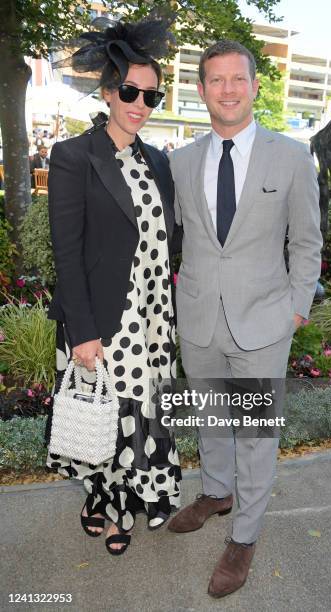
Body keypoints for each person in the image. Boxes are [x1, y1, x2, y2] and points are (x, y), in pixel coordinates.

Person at [168, 40, 322, 597]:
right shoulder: (181, 162)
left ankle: (245, 535)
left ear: (256, 86)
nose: (228, 89)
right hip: (200, 319)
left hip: (264, 322)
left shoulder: (292, 156)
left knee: (256, 433)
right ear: (202, 89)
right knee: (209, 414)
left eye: (238, 79)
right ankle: (215, 491)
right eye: (216, 80)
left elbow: (307, 242)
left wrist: (297, 306)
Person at [46, 14, 182, 556]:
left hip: (152, 318)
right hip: (104, 319)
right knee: (110, 415)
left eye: (151, 95)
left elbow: (166, 240)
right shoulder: (74, 157)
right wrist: (81, 331)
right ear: (108, 91)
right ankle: (109, 503)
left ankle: (131, 493)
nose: (140, 104)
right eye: (129, 90)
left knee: (141, 412)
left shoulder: (158, 162)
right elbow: (67, 252)